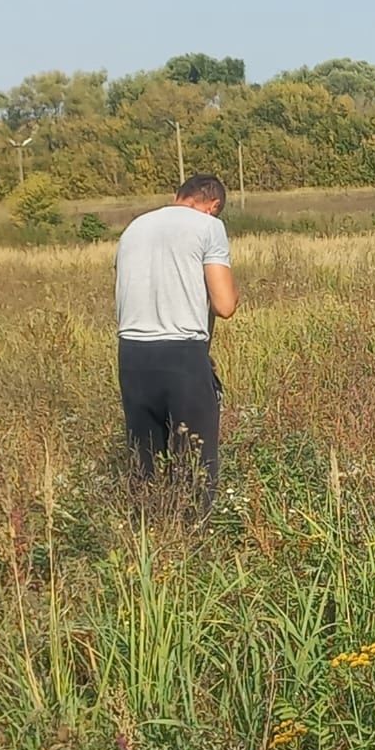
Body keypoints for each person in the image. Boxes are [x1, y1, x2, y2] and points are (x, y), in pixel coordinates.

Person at [114, 175, 238, 509]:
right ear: (212, 206)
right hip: (182, 354)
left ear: (177, 196)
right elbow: (225, 305)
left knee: (144, 462)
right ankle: (193, 542)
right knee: (196, 465)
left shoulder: (134, 228)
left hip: (131, 354)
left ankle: (145, 537)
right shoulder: (208, 227)